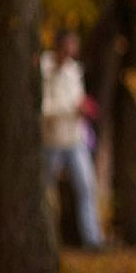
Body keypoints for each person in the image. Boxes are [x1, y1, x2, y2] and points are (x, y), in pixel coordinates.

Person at [41, 30, 104, 250]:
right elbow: (42, 109)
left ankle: (93, 239)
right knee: (43, 191)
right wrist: (72, 109)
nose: (72, 53)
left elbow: (78, 99)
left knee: (87, 188)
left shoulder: (74, 71)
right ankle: (44, 237)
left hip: (75, 140)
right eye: (68, 47)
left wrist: (83, 108)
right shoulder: (43, 69)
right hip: (51, 141)